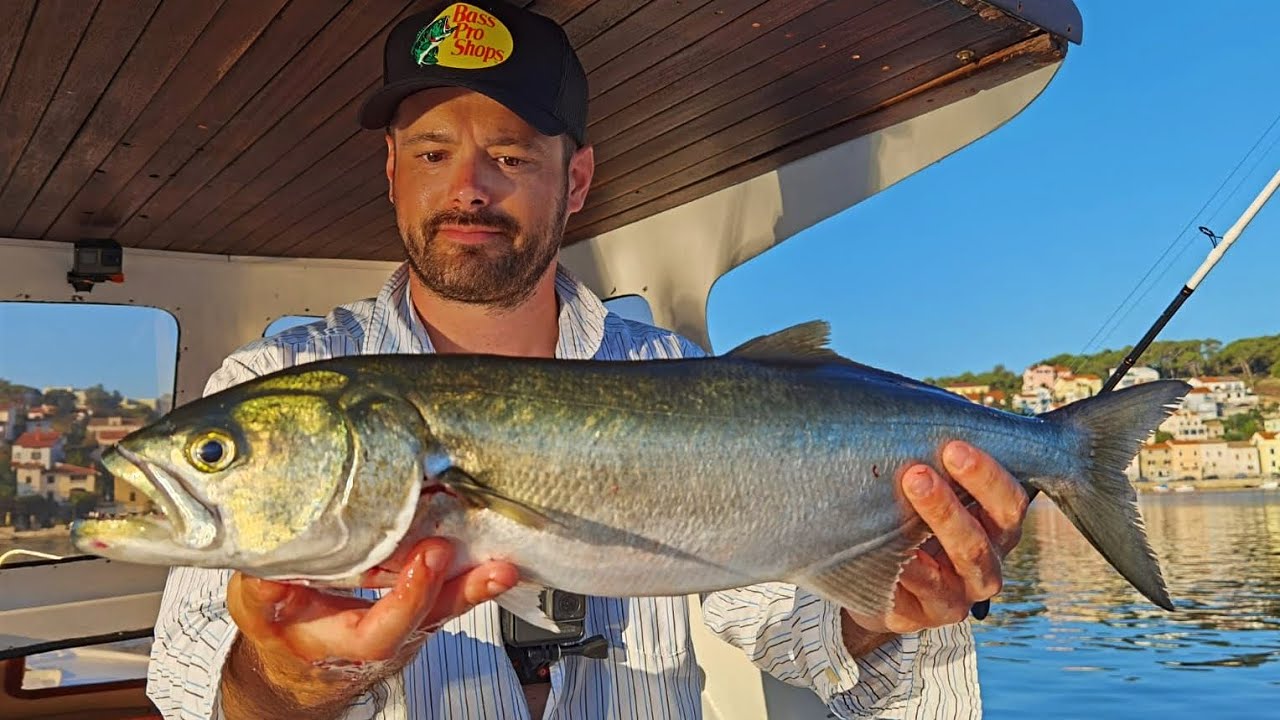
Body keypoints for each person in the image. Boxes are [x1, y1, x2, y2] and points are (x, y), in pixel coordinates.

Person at [146, 2, 1029, 718]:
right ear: (391, 170)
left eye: (509, 155)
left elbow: (781, 619)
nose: (469, 188)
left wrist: (878, 611)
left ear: (574, 180)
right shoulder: (269, 391)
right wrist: (293, 681)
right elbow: (192, 687)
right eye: (432, 152)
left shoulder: (676, 372)